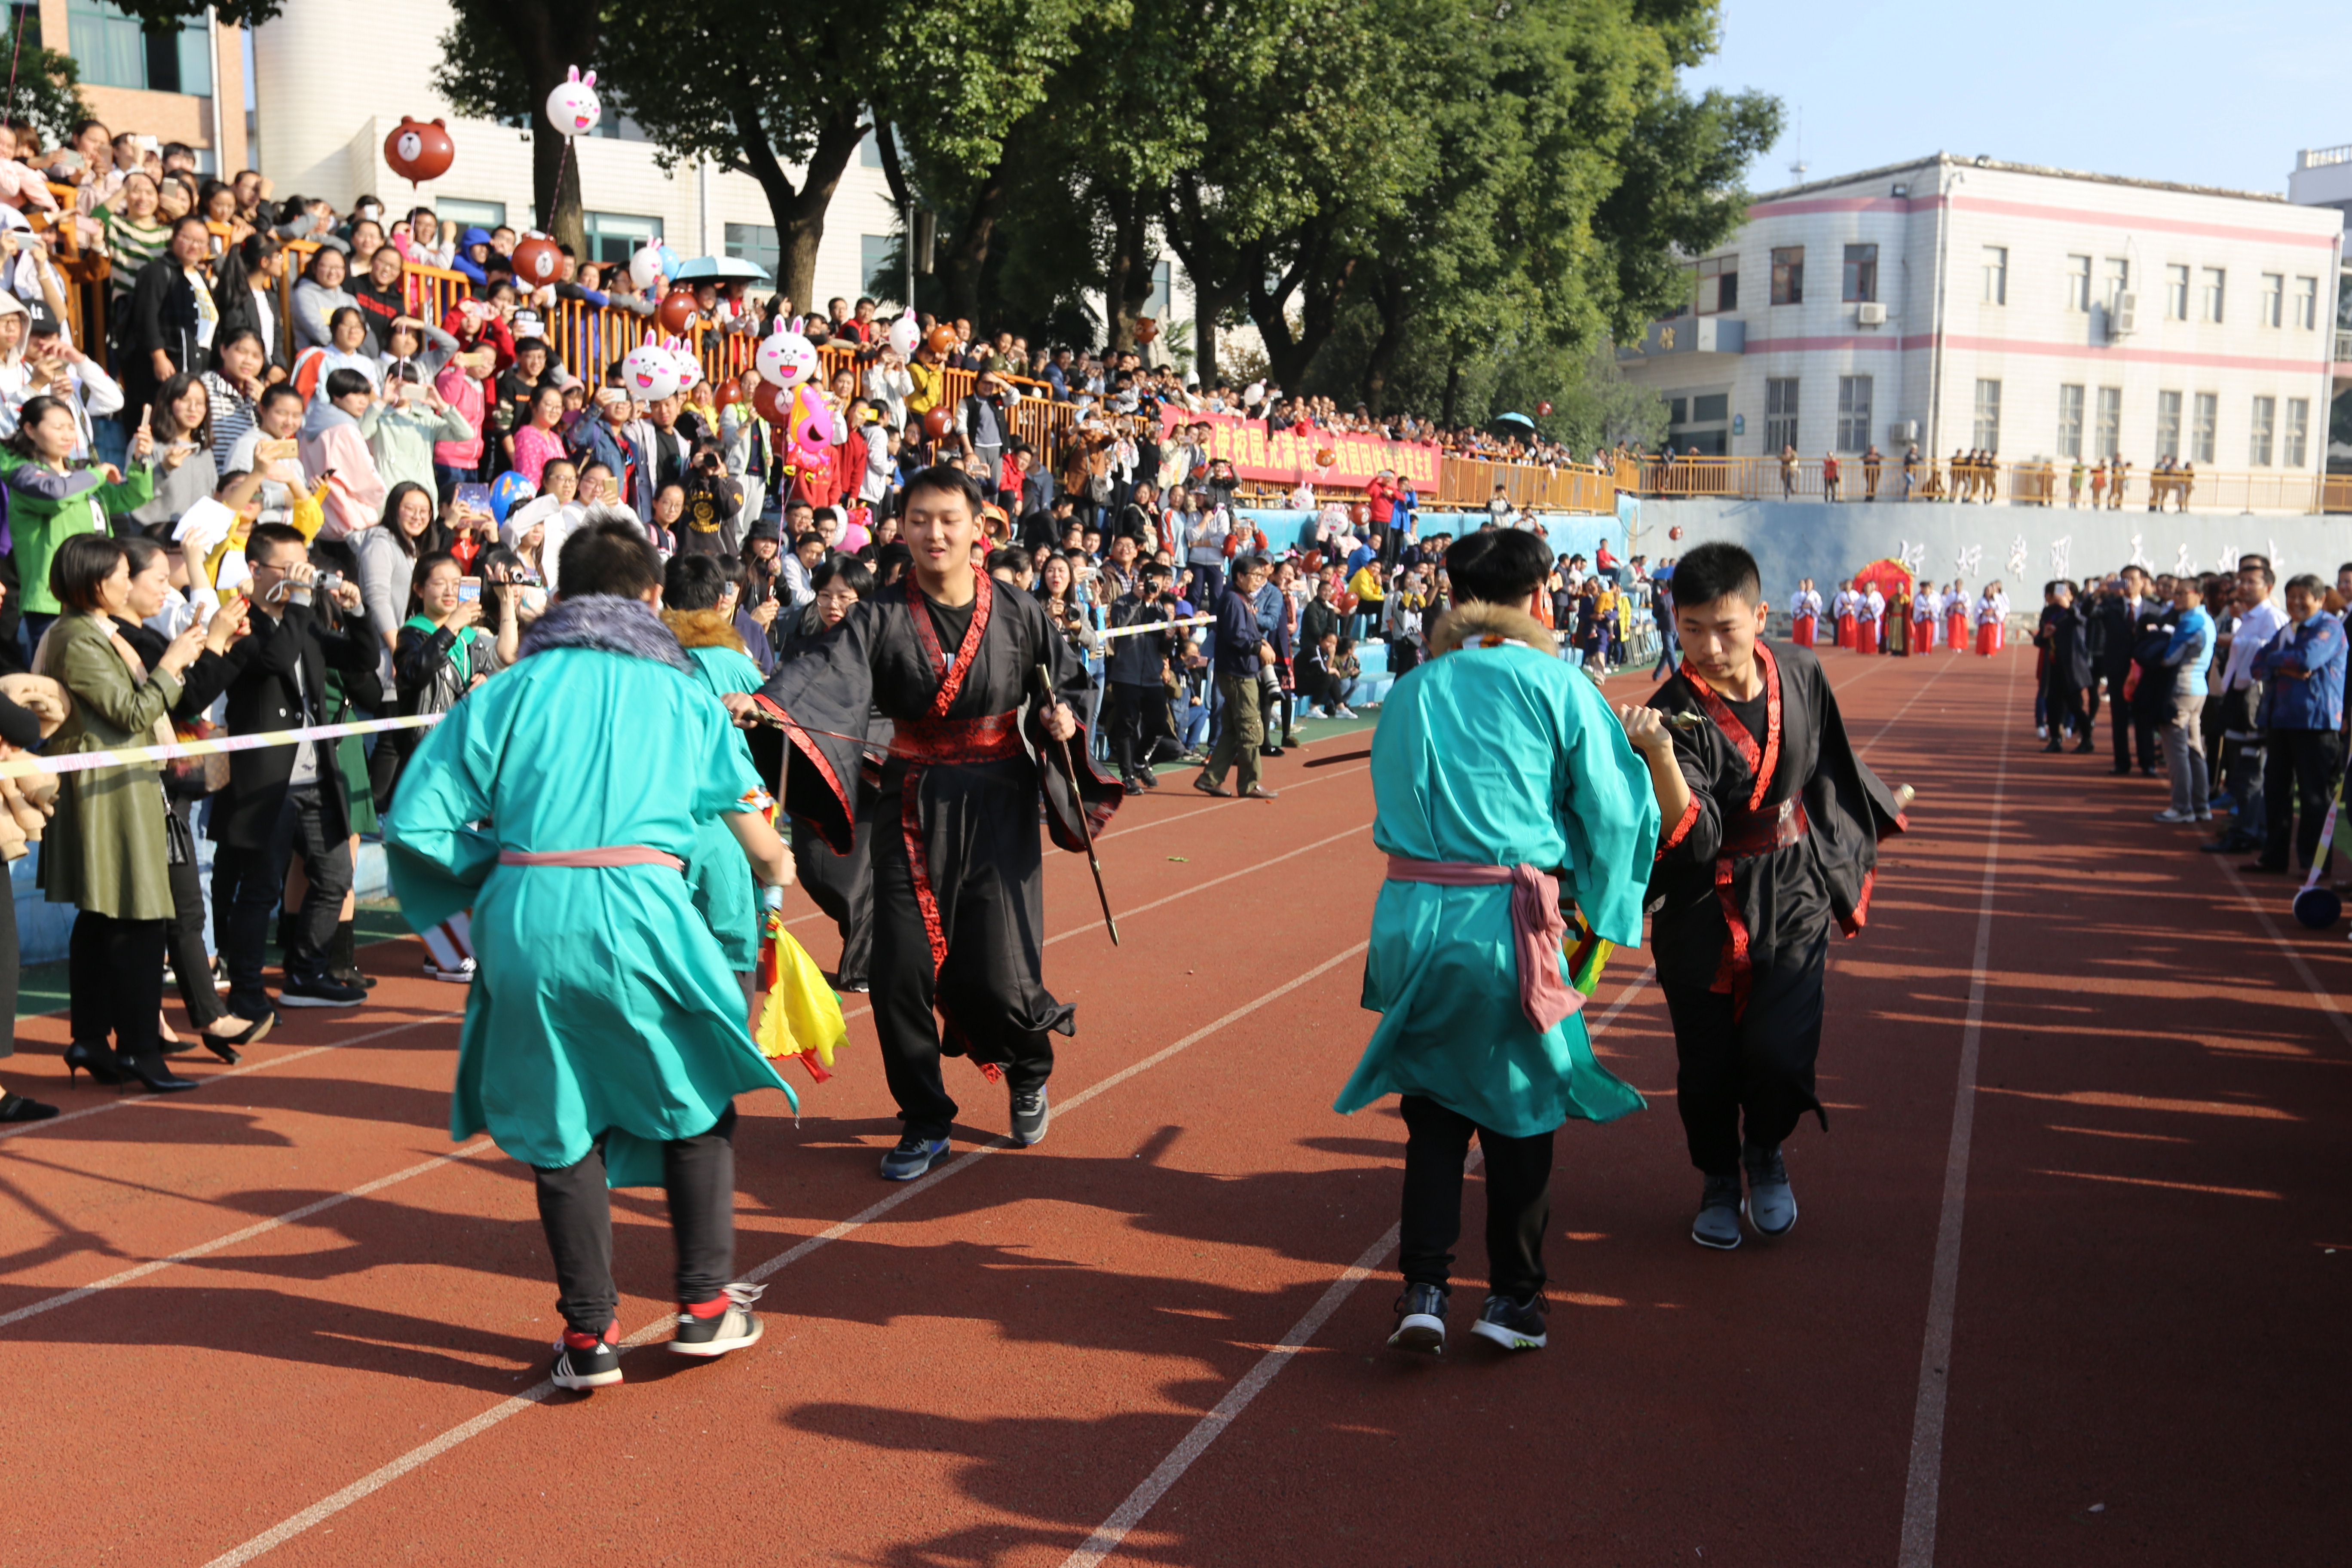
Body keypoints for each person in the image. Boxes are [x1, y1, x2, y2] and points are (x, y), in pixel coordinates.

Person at [385, 513, 793, 1391]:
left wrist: (501, 869)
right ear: (651, 596)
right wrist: (776, 865)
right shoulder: (683, 692)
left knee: (556, 1115)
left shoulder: (506, 690)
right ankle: (703, 1305)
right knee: (697, 1091)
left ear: (562, 593)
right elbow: (753, 827)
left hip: (529, 912)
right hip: (648, 908)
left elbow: (415, 821)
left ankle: (589, 1332)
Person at [735, 465, 1119, 1180]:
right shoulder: (879, 615)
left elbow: (1064, 683)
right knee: (899, 968)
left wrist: (1061, 717)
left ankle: (1029, 1067)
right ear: (903, 528)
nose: (933, 533)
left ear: (980, 527)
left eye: (948, 519)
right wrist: (766, 705)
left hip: (1000, 802)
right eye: (918, 519)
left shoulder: (1019, 611)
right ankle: (923, 1117)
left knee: (1002, 974)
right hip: (911, 800)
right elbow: (819, 673)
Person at [1336, 529, 1655, 1355]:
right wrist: (1602, 902)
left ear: (1453, 596)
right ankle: (1513, 1297)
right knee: (1522, 1109)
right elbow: (1617, 810)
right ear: (1539, 596)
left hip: (1414, 917)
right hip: (1506, 922)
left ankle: (1423, 1287)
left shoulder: (1413, 689)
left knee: (1433, 1110)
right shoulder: (1559, 684)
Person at [1631, 541, 1907, 1249]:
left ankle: (1765, 1152)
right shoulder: (1671, 712)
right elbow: (1694, 839)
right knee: (1707, 1068)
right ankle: (1719, 1178)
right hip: (1700, 905)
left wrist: (1868, 816)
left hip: (1791, 890)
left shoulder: (1801, 669)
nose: (1708, 647)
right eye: (1691, 629)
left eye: (1725, 628)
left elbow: (1830, 760)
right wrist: (1657, 754)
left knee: (1781, 1054)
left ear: (1760, 616)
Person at [35, 534, 212, 1092]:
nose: (128, 581)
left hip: (118, 786)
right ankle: (137, 1048)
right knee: (138, 919)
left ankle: (93, 1037)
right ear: (96, 583)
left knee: (105, 918)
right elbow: (131, 712)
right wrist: (173, 664)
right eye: (120, 573)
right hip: (108, 791)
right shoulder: (77, 637)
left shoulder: (92, 631)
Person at [209, 523, 377, 1020]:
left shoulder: (303, 623)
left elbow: (363, 660)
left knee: (336, 875)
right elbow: (274, 659)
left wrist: (356, 611)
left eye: (304, 568)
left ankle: (307, 973)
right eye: (289, 569)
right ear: (256, 570)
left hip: (316, 776)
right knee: (261, 888)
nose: (300, 577)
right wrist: (303, 599)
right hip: (266, 783)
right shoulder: (240, 623)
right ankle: (246, 992)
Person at [775, 553, 883, 992]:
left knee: (859, 877)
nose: (833, 605)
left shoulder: (881, 646)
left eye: (844, 597)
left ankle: (865, 964)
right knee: (816, 871)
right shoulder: (801, 643)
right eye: (825, 595)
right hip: (813, 774)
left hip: (866, 777)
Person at [2247, 574, 2345, 876]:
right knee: (2276, 790)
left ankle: (2314, 864)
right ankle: (2274, 857)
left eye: (2304, 597)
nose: (2296, 603)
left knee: (2314, 796)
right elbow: (2256, 665)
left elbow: (2307, 660)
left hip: (2315, 721)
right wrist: (2286, 668)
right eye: (2292, 597)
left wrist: (2280, 664)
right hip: (2279, 719)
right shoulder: (2287, 630)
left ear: (2320, 600)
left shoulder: (2330, 627)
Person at [1195, 554, 1279, 801]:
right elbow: (1237, 636)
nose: (1259, 581)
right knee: (1251, 727)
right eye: (1255, 576)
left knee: (1232, 730)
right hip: (1239, 674)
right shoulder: (1233, 600)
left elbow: (1247, 632)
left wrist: (1261, 642)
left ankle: (1210, 778)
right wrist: (1258, 648)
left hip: (1240, 671)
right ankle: (1250, 782)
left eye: (1262, 576)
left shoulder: (1242, 599)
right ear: (1240, 576)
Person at [2151, 574, 2215, 825]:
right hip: (2198, 688)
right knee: (2193, 747)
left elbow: (2169, 659)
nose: (2176, 597)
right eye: (2176, 592)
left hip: (2182, 688)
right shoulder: (2205, 619)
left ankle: (2182, 807)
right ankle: (2201, 805)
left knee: (2177, 751)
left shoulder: (2191, 621)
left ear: (2199, 595)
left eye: (2182, 593)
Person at [2034, 579, 2092, 753]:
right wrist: (2044, 636)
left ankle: (2087, 739)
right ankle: (2055, 740)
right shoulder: (2049, 612)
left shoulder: (2077, 610)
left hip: (2072, 666)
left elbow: (2083, 623)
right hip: (2053, 664)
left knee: (2075, 705)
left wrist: (2068, 607)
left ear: (2072, 595)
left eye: (2065, 591)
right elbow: (2039, 640)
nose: (2059, 595)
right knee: (2052, 704)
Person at [1973, 580, 2009, 656]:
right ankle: (1983, 651)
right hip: (1984, 621)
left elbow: (2000, 610)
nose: (1988, 592)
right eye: (1987, 590)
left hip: (1992, 622)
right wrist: (1984, 613)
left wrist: (1994, 613)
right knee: (1983, 638)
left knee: (1991, 638)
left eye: (1990, 591)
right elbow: (1977, 610)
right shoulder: (1981, 601)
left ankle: (1990, 652)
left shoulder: (1996, 601)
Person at [1787, 577, 1820, 648]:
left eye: (1809, 583)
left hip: (1809, 616)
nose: (1807, 585)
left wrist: (1811, 606)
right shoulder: (1796, 595)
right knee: (1799, 634)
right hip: (1799, 617)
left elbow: (1819, 604)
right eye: (1806, 583)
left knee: (1808, 634)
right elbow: (1794, 604)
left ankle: (1808, 649)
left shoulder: (1814, 594)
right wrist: (1802, 606)